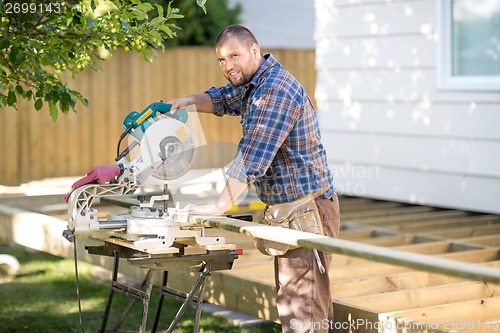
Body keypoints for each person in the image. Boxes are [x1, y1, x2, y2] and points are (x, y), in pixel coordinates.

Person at [167, 25, 341, 333]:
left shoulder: (274, 92)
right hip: (290, 210)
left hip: (307, 212)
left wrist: (218, 206)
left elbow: (251, 157)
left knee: (304, 314)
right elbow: (223, 99)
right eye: (221, 60)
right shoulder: (254, 83)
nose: (228, 66)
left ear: (254, 50)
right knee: (297, 306)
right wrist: (189, 101)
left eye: (234, 56)